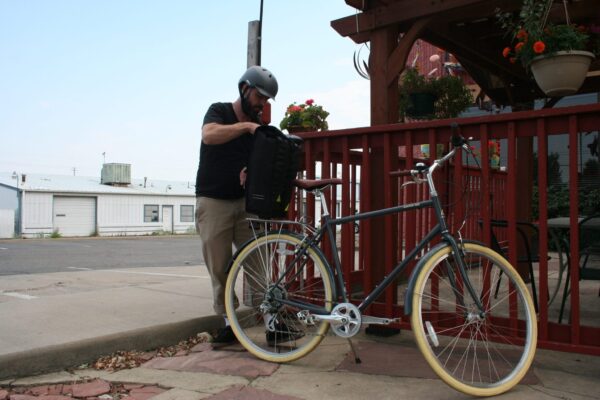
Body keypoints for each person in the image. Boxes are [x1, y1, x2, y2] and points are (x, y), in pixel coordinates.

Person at [195, 66, 300, 344]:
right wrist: (245, 127)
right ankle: (229, 323)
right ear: (245, 89)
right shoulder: (219, 112)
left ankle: (274, 323)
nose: (262, 105)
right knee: (219, 267)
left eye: (266, 101)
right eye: (260, 98)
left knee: (258, 262)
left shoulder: (259, 130)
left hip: (245, 203)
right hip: (213, 201)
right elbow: (209, 135)